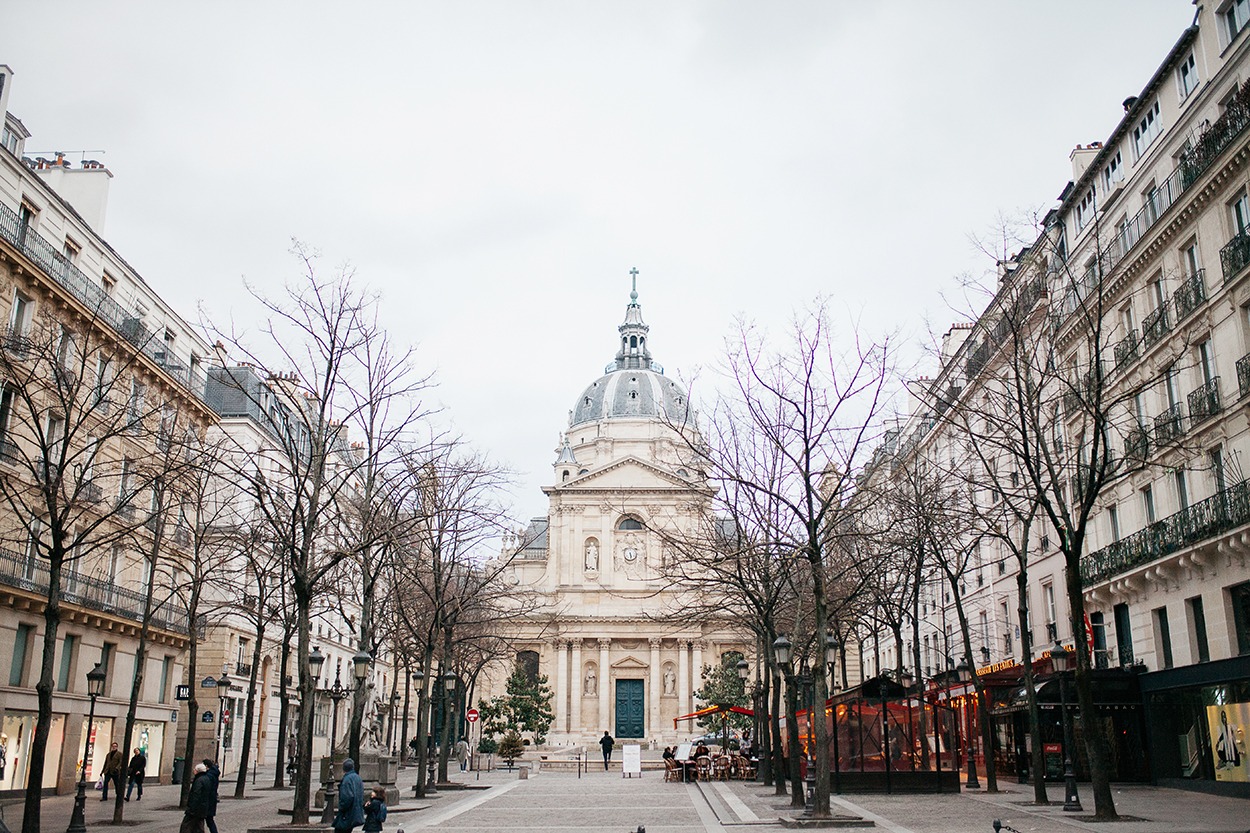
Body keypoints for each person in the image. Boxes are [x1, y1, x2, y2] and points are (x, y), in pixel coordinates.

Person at [334, 758, 366, 833]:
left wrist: (342, 807)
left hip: (347, 813)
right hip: (355, 811)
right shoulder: (357, 778)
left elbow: (347, 797)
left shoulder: (347, 780)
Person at [182, 762, 211, 833]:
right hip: (203, 808)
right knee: (199, 826)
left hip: (196, 809)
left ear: (198, 771)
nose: (193, 770)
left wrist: (191, 808)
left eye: (194, 769)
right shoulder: (207, 779)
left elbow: (196, 795)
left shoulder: (199, 780)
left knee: (186, 826)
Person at [200, 759, 220, 833]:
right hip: (211, 799)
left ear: (206, 766)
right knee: (209, 820)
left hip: (208, 800)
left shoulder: (209, 775)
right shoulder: (214, 773)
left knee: (207, 820)